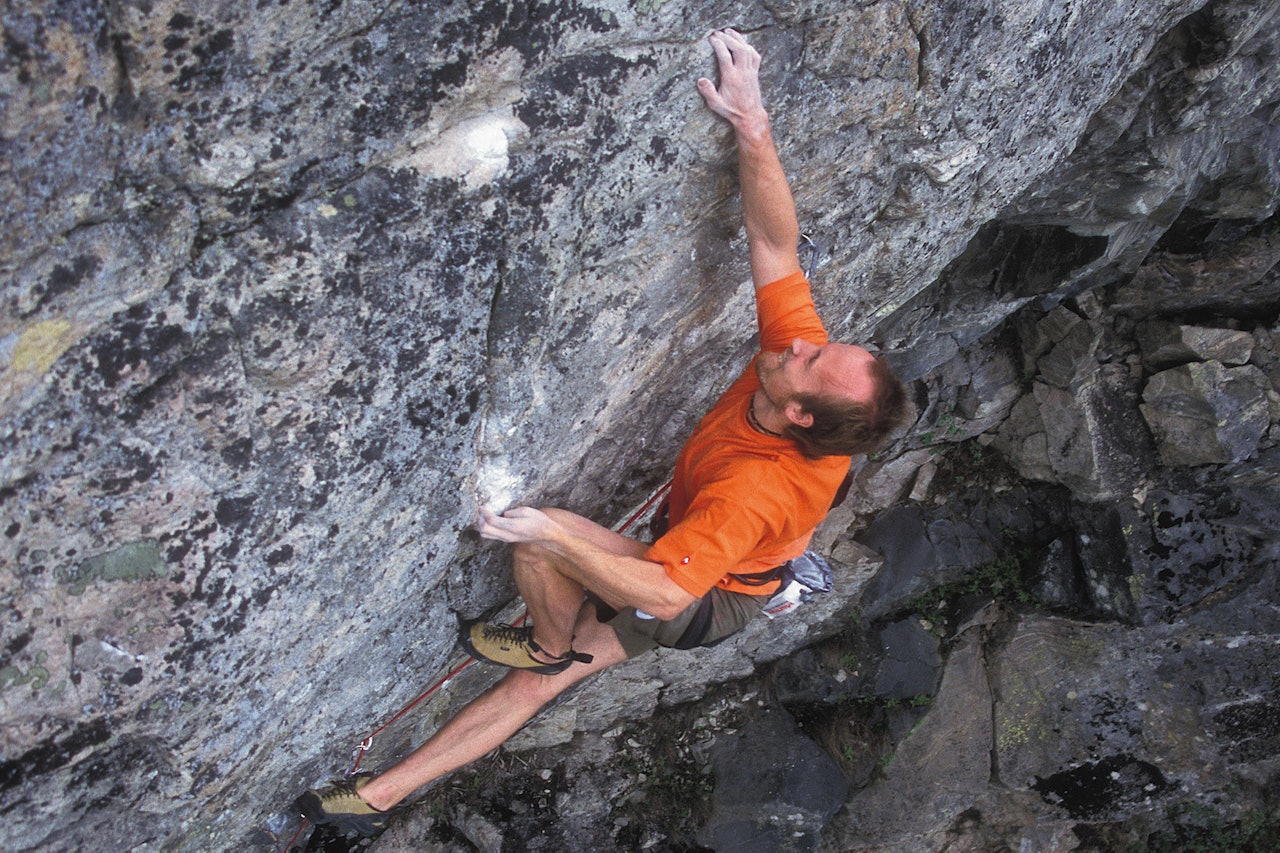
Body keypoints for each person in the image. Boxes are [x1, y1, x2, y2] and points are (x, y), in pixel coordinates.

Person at [295, 28, 906, 835]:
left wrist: (553, 528)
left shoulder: (755, 487)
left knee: (542, 561)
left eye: (810, 358)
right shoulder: (798, 385)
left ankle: (521, 667)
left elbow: (665, 589)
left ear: (800, 415)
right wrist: (753, 124)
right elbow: (773, 241)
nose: (798, 340)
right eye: (815, 342)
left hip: (706, 593)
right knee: (549, 638)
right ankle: (480, 706)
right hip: (716, 554)